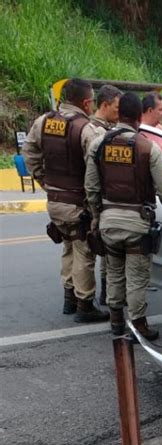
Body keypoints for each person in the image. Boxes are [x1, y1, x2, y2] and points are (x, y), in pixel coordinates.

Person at [85, 92, 162, 340]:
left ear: (119, 114)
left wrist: (97, 217)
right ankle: (139, 325)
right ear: (139, 116)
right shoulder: (148, 148)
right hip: (137, 224)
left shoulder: (99, 145)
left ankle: (116, 322)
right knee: (137, 277)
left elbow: (91, 188)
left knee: (114, 272)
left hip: (108, 222)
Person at [22, 78, 109, 322]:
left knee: (69, 246)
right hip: (78, 203)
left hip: (55, 199)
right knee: (84, 249)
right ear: (86, 101)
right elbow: (98, 170)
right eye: (91, 101)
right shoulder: (87, 129)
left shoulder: (43, 121)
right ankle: (85, 304)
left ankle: (69, 299)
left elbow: (29, 154)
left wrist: (45, 182)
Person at [90, 84, 122, 305]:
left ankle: (100, 295)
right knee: (101, 254)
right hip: (99, 200)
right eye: (116, 107)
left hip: (98, 200)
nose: (118, 112)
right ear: (105, 104)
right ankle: (106, 297)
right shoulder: (97, 133)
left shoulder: (99, 130)